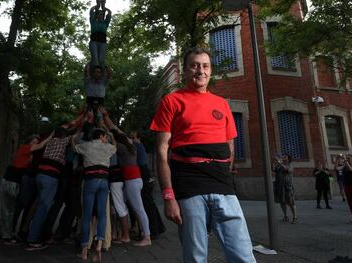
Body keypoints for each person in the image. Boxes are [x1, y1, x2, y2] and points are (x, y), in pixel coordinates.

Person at [150, 47, 256, 263]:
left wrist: (224, 174)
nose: (201, 70)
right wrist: (169, 197)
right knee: (196, 257)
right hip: (189, 188)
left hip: (223, 187)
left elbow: (230, 147)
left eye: (205, 66)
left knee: (244, 255)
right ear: (185, 70)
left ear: (211, 70)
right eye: (195, 65)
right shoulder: (171, 101)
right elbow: (162, 152)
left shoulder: (222, 104)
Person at [0, 134, 51, 244]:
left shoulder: (28, 155)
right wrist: (52, 136)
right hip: (10, 181)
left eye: (36, 142)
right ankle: (6, 236)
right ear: (29, 142)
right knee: (9, 210)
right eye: (33, 142)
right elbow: (41, 146)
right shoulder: (25, 148)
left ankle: (5, 233)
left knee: (9, 209)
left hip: (11, 181)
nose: (35, 145)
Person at [26, 127, 74, 251]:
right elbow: (75, 136)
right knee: (43, 208)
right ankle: (33, 239)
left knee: (39, 205)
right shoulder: (63, 141)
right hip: (50, 177)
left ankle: (29, 231)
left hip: (40, 175)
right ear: (63, 136)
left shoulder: (50, 141)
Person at [74, 128, 117, 262]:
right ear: (102, 136)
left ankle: (84, 250)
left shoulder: (85, 146)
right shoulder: (108, 147)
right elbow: (115, 147)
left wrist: (72, 139)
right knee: (102, 214)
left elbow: (74, 147)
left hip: (90, 181)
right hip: (104, 181)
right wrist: (111, 137)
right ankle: (99, 245)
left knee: (87, 215)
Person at [111, 129, 152, 247]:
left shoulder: (121, 148)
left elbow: (112, 142)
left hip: (131, 181)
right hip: (136, 179)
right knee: (120, 203)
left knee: (139, 208)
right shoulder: (131, 147)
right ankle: (135, 232)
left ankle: (147, 237)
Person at [273, 155, 297, 223]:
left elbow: (287, 169)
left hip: (288, 186)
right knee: (282, 202)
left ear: (288, 159)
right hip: (280, 186)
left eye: (285, 157)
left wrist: (280, 163)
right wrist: (274, 163)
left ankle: (295, 217)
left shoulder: (290, 165)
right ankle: (286, 216)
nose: (283, 158)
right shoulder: (280, 165)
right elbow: (274, 169)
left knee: (291, 202)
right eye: (283, 157)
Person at [89, 6, 111, 70]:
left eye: (101, 14)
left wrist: (105, 8)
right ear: (96, 15)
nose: (100, 15)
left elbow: (109, 13)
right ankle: (92, 74)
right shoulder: (93, 21)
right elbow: (91, 11)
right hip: (94, 42)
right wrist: (97, 6)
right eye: (98, 14)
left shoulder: (105, 23)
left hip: (103, 43)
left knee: (101, 60)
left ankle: (102, 75)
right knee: (95, 59)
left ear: (103, 16)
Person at [342, 155, 352, 220]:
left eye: (349, 158)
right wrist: (337, 160)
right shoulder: (344, 166)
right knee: (350, 202)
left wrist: (346, 161)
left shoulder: (349, 166)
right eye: (347, 158)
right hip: (346, 185)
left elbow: (351, 169)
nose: (347, 159)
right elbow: (337, 168)